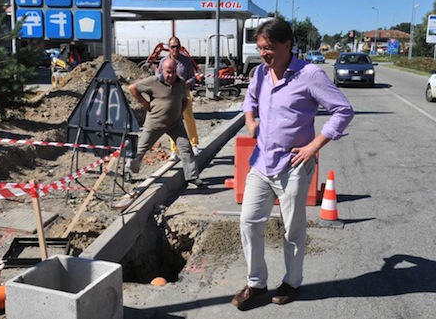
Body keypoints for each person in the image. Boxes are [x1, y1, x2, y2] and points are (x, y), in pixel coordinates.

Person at [231, 18, 354, 310]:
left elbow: (343, 110)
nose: (263, 53)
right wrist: (250, 121)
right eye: (260, 48)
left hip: (293, 166)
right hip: (262, 162)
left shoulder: (310, 75)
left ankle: (292, 282)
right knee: (248, 222)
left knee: (293, 230)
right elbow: (249, 100)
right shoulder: (260, 74)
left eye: (269, 48)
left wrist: (313, 147)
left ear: (287, 45)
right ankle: (256, 283)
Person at [126, 57, 204, 188]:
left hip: (175, 124)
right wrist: (144, 103)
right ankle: (128, 171)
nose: (171, 75)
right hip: (155, 123)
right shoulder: (153, 82)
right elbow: (132, 88)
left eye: (173, 71)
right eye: (168, 72)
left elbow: (184, 100)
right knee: (141, 148)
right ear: (161, 70)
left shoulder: (180, 83)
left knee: (186, 148)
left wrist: (179, 112)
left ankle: (192, 177)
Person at [158, 36, 200, 161]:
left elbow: (193, 78)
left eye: (177, 46)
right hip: (171, 94)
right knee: (173, 121)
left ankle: (194, 144)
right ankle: (174, 150)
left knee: (189, 118)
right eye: (172, 47)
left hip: (184, 93)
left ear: (180, 47)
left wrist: (185, 84)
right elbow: (159, 77)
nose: (175, 49)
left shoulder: (186, 61)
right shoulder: (164, 61)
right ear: (169, 48)